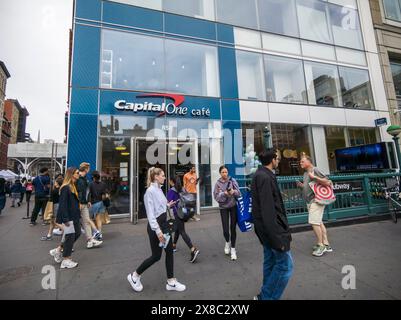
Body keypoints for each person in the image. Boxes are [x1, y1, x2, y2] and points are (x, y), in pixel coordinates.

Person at [127, 167, 186, 293]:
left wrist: (168, 205)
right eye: (162, 175)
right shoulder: (150, 191)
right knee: (156, 256)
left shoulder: (158, 189)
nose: (164, 177)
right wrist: (158, 232)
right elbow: (151, 214)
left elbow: (160, 207)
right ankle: (134, 276)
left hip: (164, 225)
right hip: (157, 227)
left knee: (169, 251)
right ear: (155, 177)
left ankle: (171, 281)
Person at [251, 149, 293, 300]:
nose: (279, 161)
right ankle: (267, 297)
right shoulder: (265, 177)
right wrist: (278, 239)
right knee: (285, 267)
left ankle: (264, 294)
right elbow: (268, 211)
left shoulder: (260, 175)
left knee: (270, 262)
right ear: (273, 159)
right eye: (278, 158)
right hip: (274, 232)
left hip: (266, 231)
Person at [297, 155, 333, 257]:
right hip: (309, 201)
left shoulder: (315, 170)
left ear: (309, 161)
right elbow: (308, 187)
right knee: (319, 222)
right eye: (300, 162)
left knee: (313, 222)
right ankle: (326, 244)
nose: (301, 163)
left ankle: (320, 245)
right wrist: (301, 186)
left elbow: (328, 182)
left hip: (316, 200)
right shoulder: (305, 173)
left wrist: (315, 177)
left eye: (302, 161)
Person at [53, 167, 81, 269]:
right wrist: (65, 219)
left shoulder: (72, 185)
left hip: (75, 216)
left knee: (77, 233)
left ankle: (59, 249)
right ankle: (66, 259)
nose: (79, 174)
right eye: (77, 173)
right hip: (69, 217)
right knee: (70, 236)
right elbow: (63, 204)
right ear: (71, 174)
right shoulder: (65, 187)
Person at [167, 176, 200, 263]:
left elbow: (169, 203)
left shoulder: (171, 191)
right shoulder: (183, 189)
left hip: (177, 213)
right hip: (185, 212)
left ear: (171, 181)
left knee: (182, 231)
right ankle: (173, 245)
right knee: (178, 229)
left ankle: (193, 249)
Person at [213, 166, 241, 261]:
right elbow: (216, 196)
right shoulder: (217, 184)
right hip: (223, 208)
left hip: (233, 206)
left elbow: (239, 193)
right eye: (223, 172)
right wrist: (224, 193)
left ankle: (233, 249)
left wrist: (233, 191)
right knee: (225, 229)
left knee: (232, 228)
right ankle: (227, 242)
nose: (224, 174)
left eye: (226, 172)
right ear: (220, 173)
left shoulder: (232, 180)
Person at [77, 163, 102, 249]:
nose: (89, 170)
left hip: (83, 203)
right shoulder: (78, 178)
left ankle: (89, 240)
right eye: (88, 168)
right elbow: (79, 192)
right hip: (79, 204)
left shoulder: (84, 179)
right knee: (72, 224)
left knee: (87, 222)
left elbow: (85, 192)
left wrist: (88, 201)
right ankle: (63, 245)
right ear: (86, 169)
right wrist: (80, 202)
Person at [41, 175, 64, 241]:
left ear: (57, 183)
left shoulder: (54, 191)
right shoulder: (61, 190)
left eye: (55, 182)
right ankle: (49, 235)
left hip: (54, 206)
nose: (54, 182)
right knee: (52, 222)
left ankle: (66, 232)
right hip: (59, 205)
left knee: (55, 221)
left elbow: (51, 199)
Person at [89, 170, 108, 239]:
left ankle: (96, 232)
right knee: (98, 219)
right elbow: (104, 195)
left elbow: (89, 194)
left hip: (94, 202)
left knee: (89, 218)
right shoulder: (103, 184)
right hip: (101, 202)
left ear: (93, 177)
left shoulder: (91, 184)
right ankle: (99, 232)